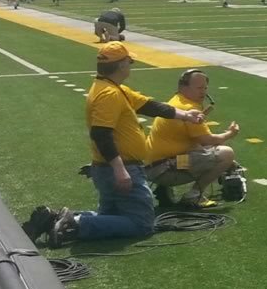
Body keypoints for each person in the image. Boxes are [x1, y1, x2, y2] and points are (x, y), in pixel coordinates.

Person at [50, 43, 205, 245]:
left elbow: (149, 106)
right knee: (142, 224)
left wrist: (185, 115)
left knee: (111, 213)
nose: (131, 66)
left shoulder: (114, 89)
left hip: (112, 167)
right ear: (121, 65)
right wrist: (120, 170)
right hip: (122, 168)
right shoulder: (110, 94)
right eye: (129, 62)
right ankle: (75, 224)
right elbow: (101, 134)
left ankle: (58, 219)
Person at [145, 69, 242, 209]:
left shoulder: (176, 102)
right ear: (183, 88)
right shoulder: (188, 107)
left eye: (205, 88)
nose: (203, 92)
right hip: (166, 169)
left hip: (154, 165)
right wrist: (230, 134)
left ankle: (164, 190)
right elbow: (207, 140)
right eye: (198, 88)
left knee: (205, 152)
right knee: (226, 154)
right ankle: (194, 195)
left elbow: (195, 143)